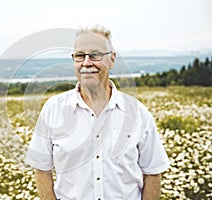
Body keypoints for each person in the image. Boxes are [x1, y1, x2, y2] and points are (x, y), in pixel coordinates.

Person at [25, 25, 170, 200]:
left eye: (95, 55)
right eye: (80, 55)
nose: (87, 63)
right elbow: (41, 170)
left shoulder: (138, 113)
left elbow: (153, 172)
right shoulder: (53, 109)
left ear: (112, 59)